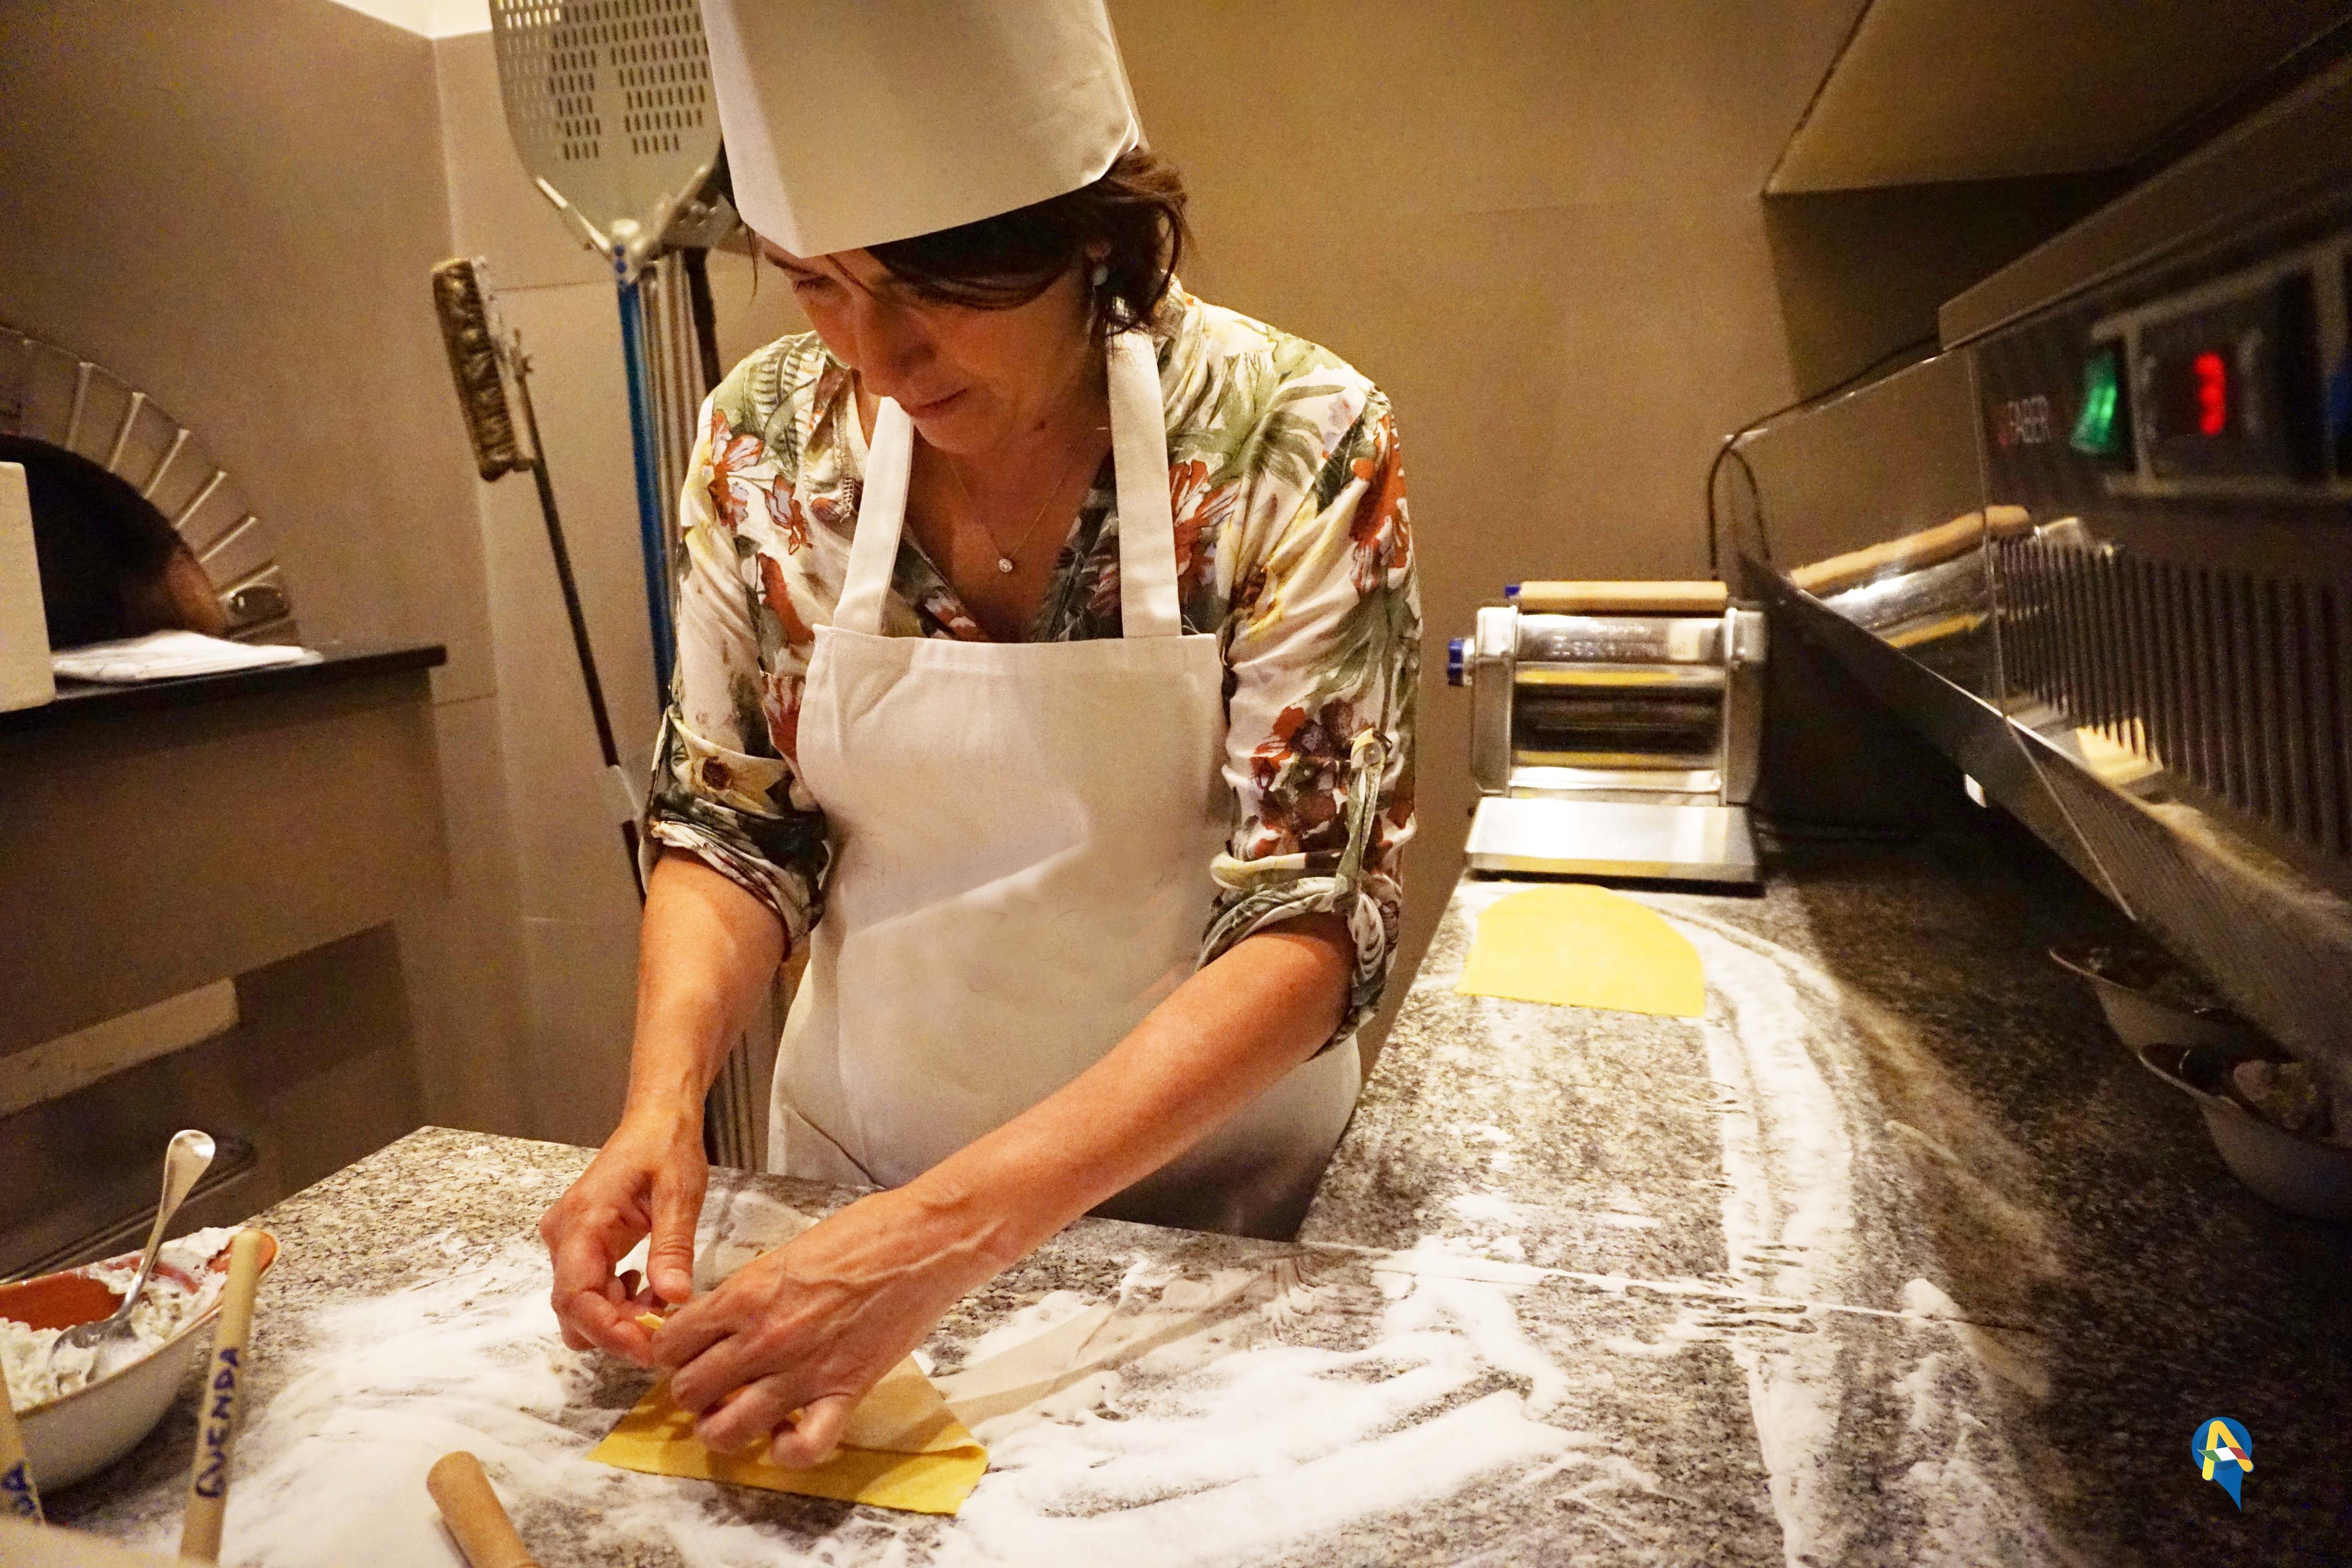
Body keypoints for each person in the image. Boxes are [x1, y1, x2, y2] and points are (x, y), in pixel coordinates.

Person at [538, 0, 1419, 1468]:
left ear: (1085, 235)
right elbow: (734, 824)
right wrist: (665, 1101)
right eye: (818, 285)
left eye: (935, 284)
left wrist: (942, 1237)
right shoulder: (767, 439)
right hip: (852, 1184)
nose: (878, 355)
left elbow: (1313, 915)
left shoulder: (1287, 432)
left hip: (1207, 1222)